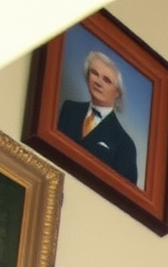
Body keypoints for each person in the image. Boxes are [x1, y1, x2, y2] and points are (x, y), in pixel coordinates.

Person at [58, 50, 138, 185]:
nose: (98, 82)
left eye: (107, 80)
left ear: (117, 93)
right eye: (94, 73)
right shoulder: (69, 109)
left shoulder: (125, 145)